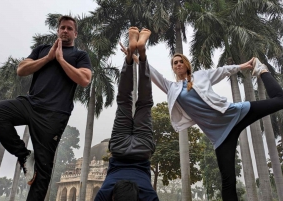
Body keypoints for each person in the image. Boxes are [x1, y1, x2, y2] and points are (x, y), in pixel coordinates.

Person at [145, 51, 283, 200]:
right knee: (228, 180)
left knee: (280, 100)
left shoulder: (201, 76)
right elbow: (152, 73)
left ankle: (262, 70)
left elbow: (223, 71)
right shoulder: (171, 87)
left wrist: (244, 66)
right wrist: (137, 57)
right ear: (173, 68)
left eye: (181, 61)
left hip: (234, 114)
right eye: (175, 63)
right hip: (219, 135)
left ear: (186, 64)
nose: (178, 64)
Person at [0, 15, 92, 200]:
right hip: (30, 103)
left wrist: (61, 60)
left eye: (69, 28)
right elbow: (21, 69)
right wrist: (49, 58)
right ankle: (24, 154)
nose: (65, 31)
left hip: (54, 115)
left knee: (43, 171)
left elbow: (84, 79)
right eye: (62, 28)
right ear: (58, 31)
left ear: (75, 33)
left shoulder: (80, 55)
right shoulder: (42, 49)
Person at [94, 27, 158, 201]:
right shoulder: (104, 193)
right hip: (119, 148)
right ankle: (130, 59)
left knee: (144, 104)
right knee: (124, 100)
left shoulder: (149, 195)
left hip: (142, 149)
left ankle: (142, 55)